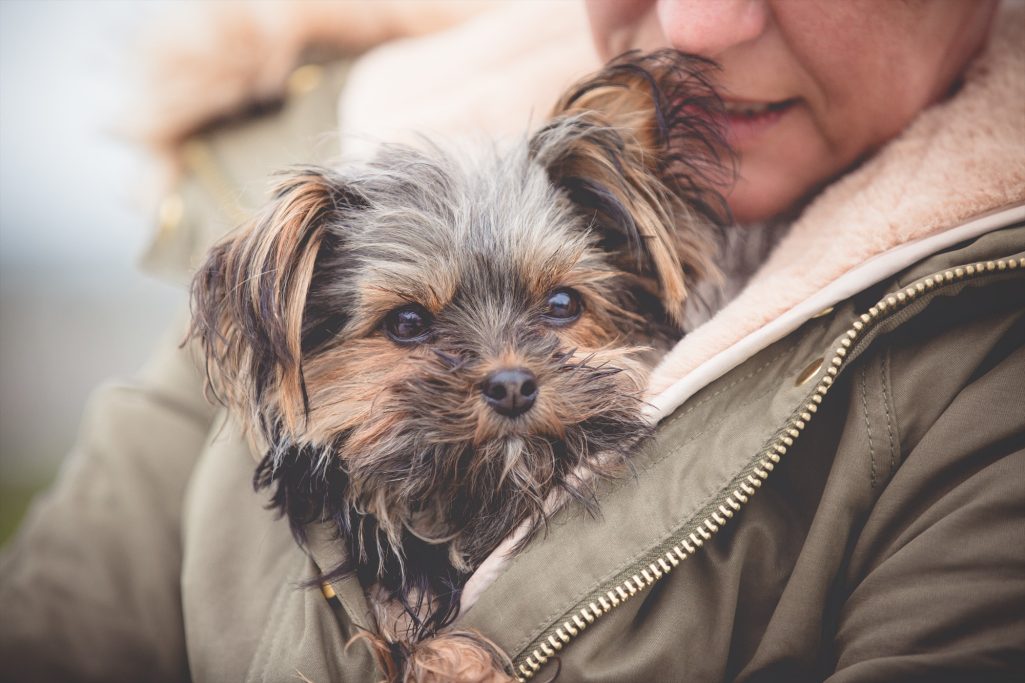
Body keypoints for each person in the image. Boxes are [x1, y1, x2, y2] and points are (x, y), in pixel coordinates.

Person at [1, 1, 1023, 681]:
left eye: (559, 309)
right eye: (409, 325)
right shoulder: (286, 218)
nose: (503, 367)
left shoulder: (987, 356)